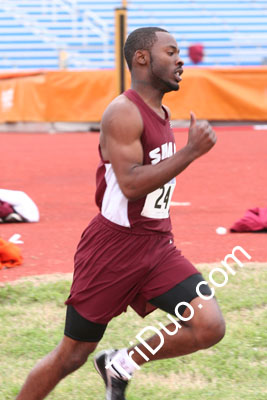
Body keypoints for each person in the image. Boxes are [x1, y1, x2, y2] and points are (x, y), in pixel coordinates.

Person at [16, 27, 225, 400]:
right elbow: (130, 184)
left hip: (158, 246)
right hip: (112, 250)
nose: (180, 60)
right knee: (72, 354)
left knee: (209, 326)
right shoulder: (123, 112)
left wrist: (186, 153)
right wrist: (190, 152)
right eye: (171, 52)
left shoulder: (162, 111)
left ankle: (121, 363)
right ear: (142, 58)